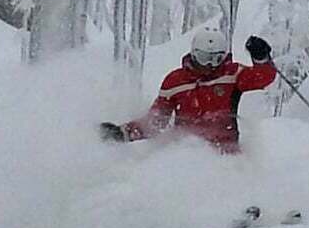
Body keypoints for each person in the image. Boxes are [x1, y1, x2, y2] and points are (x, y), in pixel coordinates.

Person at [100, 28, 276, 153]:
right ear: (193, 53)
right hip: (187, 152)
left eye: (216, 59)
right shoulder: (176, 81)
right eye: (204, 58)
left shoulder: (232, 74)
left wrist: (261, 58)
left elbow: (263, 77)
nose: (209, 65)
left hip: (226, 153)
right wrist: (123, 132)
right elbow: (156, 121)